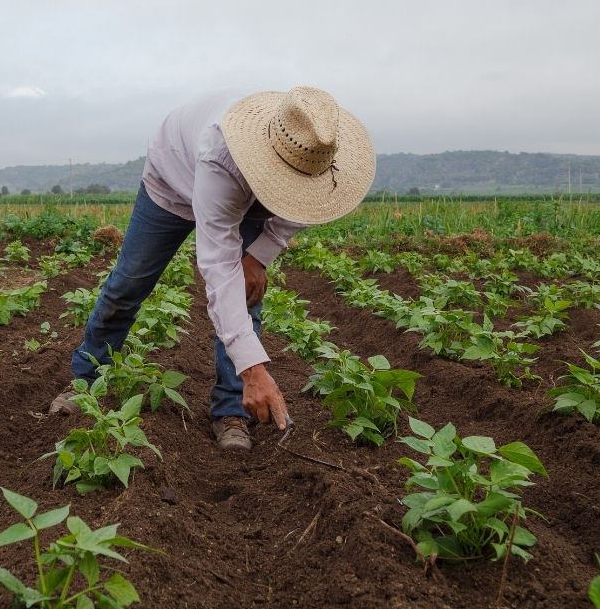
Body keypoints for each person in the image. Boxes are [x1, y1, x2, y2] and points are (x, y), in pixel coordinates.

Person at [49, 86, 376, 450]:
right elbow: (219, 270)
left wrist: (258, 257)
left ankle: (230, 409)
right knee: (128, 284)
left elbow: (303, 211)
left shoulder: (318, 155)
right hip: (174, 179)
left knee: (247, 294)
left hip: (249, 194)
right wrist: (254, 369)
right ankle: (85, 380)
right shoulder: (223, 155)